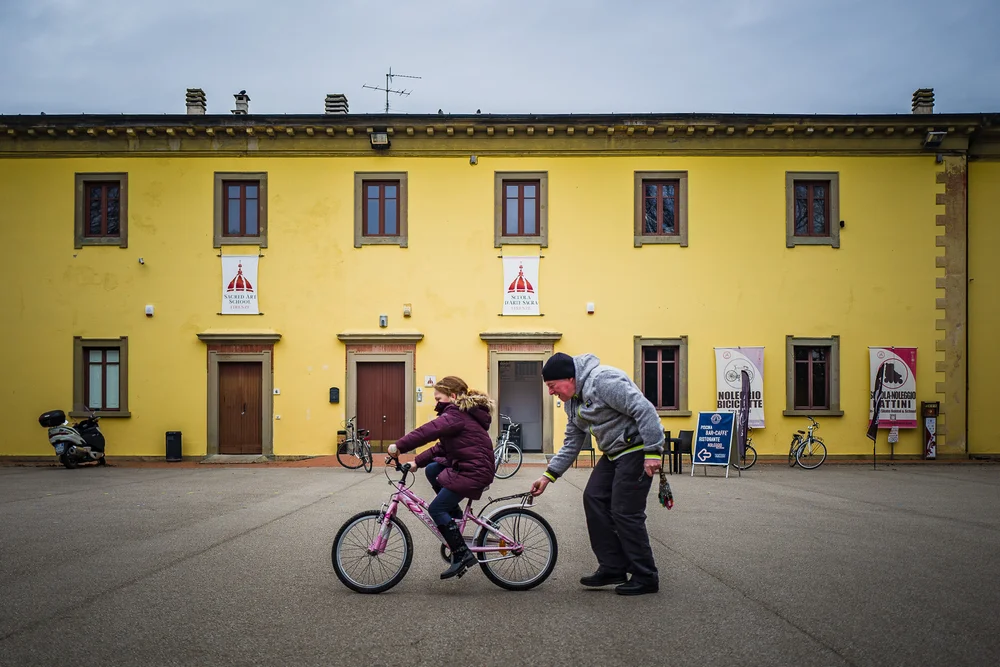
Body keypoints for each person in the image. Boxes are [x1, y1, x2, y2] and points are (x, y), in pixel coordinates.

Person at [530, 352, 664, 596]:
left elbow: (644, 409)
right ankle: (613, 567)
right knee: (593, 498)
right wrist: (548, 476)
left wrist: (653, 451)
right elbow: (572, 442)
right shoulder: (573, 402)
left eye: (552, 386)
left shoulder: (604, 380)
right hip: (613, 453)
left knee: (625, 511)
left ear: (570, 378)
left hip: (635, 449)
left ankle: (646, 576)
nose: (551, 392)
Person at [390, 376, 496, 580]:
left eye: (438, 398)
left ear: (453, 396)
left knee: (436, 509)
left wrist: (399, 446)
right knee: (431, 469)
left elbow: (427, 431)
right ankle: (454, 515)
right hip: (470, 467)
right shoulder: (460, 415)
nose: (436, 403)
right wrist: (416, 463)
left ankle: (461, 554)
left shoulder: (455, 415)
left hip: (474, 471)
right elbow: (441, 447)